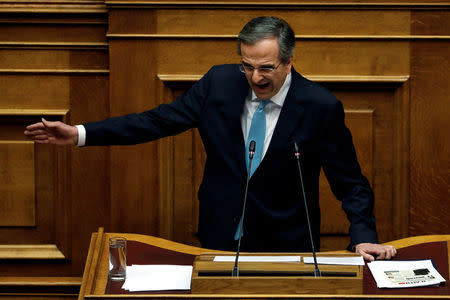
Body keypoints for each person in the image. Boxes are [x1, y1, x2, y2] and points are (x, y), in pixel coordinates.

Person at [25, 16, 396, 261]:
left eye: (266, 68)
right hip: (219, 235)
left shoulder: (320, 106)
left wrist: (362, 235)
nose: (255, 78)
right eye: (247, 66)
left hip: (288, 244)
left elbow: (351, 184)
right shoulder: (219, 83)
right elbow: (156, 121)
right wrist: (79, 134)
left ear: (289, 61)